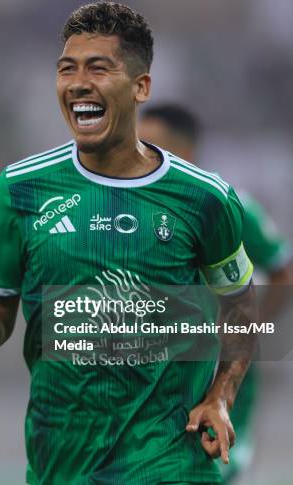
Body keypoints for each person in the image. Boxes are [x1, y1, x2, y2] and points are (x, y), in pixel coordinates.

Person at [0, 3, 257, 484]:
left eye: (98, 68)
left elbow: (241, 303)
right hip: (62, 466)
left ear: (141, 87)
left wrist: (221, 396)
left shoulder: (204, 198)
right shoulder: (21, 190)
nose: (78, 83)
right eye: (66, 69)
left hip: (171, 464)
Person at [139, 102, 292, 483]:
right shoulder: (132, 211)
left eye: (149, 146)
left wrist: (251, 329)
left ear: (186, 152)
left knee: (212, 466)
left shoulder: (226, 204)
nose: (137, 155)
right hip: (158, 370)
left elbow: (283, 271)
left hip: (215, 371)